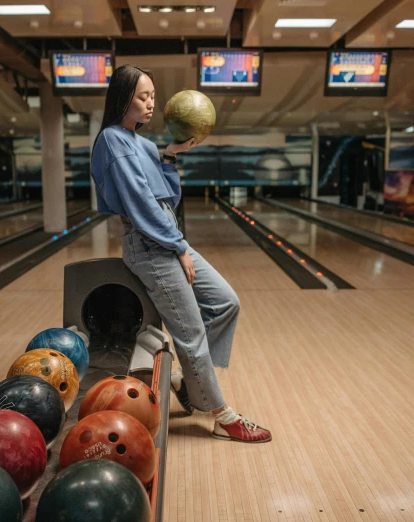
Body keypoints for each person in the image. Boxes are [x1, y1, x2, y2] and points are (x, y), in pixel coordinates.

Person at [90, 64, 272, 443]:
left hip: (169, 236)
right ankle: (221, 416)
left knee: (225, 302)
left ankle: (190, 384)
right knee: (189, 334)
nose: (151, 103)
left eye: (153, 96)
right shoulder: (112, 140)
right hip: (150, 245)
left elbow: (167, 197)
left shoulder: (141, 143)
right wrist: (178, 249)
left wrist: (170, 157)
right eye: (143, 96)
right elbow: (140, 206)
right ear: (123, 98)